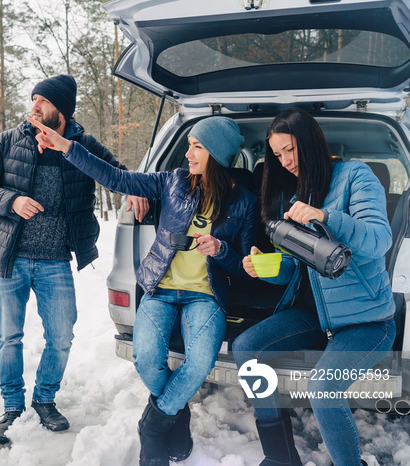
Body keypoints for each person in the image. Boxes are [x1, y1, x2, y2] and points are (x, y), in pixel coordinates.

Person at [29, 115, 259, 466]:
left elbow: (245, 268)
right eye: (189, 145)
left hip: (205, 295)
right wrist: (67, 148)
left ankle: (152, 427)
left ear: (217, 153)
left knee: (200, 362)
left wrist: (222, 250)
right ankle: (176, 412)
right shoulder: (174, 182)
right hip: (160, 287)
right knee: (147, 357)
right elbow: (117, 177)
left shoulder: (243, 202)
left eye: (197, 146)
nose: (188, 153)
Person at [0, 74, 148, 445]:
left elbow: (116, 173)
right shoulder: (8, 141)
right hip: (10, 258)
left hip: (54, 263)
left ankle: (45, 400)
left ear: (61, 111)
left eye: (43, 101)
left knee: (62, 336)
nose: (34, 106)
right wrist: (11, 201)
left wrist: (136, 191)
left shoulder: (81, 145)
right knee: (9, 336)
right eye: (33, 99)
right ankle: (12, 406)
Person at [233, 107, 397, 466]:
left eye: (289, 149)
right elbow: (297, 265)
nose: (285, 161)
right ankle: (280, 455)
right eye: (277, 155)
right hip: (315, 314)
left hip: (366, 321)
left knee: (323, 389)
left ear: (309, 141)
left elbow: (378, 241)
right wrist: (267, 268)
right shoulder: (295, 195)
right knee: (246, 350)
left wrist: (325, 216)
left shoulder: (356, 176)